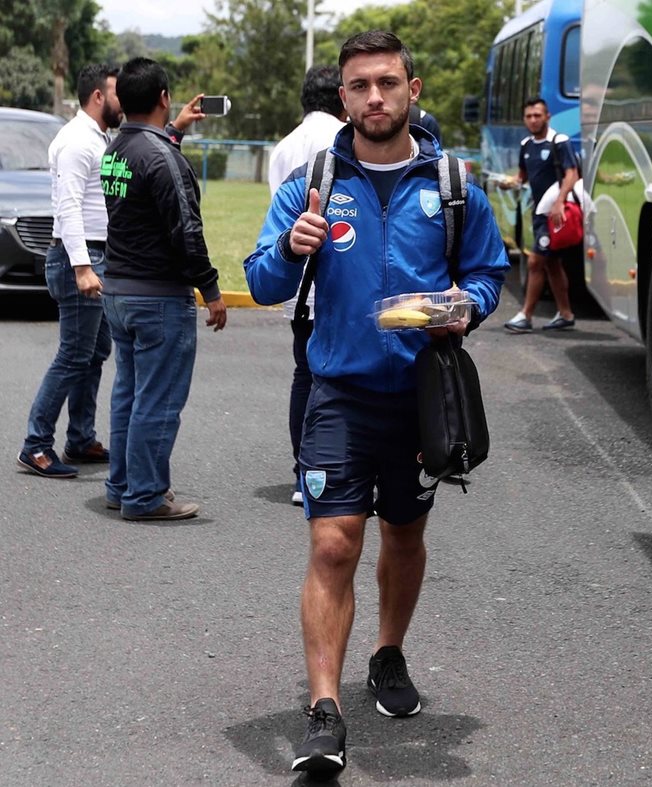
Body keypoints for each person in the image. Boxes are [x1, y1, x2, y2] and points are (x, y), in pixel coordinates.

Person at [243, 31, 508, 776]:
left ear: (412, 90)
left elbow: (489, 273)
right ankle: (324, 709)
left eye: (388, 83)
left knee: (403, 535)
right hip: (339, 392)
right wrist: (291, 248)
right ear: (344, 97)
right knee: (333, 544)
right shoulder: (315, 184)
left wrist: (466, 305)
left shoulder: (453, 185)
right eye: (360, 86)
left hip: (420, 397)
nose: (375, 98)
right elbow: (261, 281)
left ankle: (387, 653)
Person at [100, 57, 227, 522]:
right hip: (157, 297)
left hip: (119, 291)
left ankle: (122, 487)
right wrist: (211, 291)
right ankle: (146, 496)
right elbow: (187, 233)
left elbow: (148, 163)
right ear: (163, 97)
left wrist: (174, 129)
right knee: (158, 399)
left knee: (129, 394)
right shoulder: (163, 157)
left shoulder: (116, 148)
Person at [16, 65, 123, 479]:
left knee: (94, 353)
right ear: (98, 96)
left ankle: (80, 438)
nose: (122, 101)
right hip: (81, 259)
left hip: (96, 257)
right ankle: (36, 445)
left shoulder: (97, 137)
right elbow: (68, 208)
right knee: (74, 355)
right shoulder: (77, 142)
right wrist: (82, 267)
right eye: (116, 93)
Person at [267, 65, 347, 506]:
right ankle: (332, 470)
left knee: (305, 373)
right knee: (337, 379)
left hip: (298, 280)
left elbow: (276, 217)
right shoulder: (342, 140)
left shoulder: (283, 146)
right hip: (337, 279)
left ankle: (304, 473)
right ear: (341, 97)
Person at [500, 97, 578, 332]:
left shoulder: (559, 141)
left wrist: (560, 202)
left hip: (555, 214)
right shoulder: (526, 145)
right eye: (529, 116)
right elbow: (522, 177)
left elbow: (571, 174)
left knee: (535, 262)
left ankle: (526, 316)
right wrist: (510, 183)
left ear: (547, 117)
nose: (533, 120)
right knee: (552, 264)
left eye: (537, 115)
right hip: (538, 212)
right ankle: (565, 314)